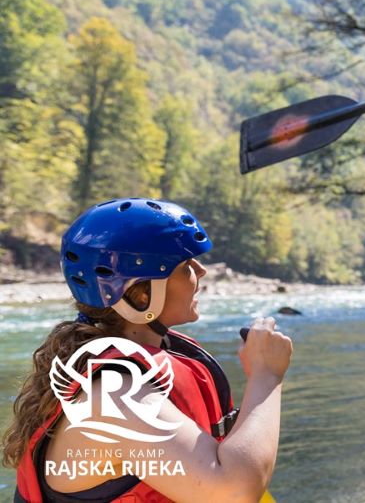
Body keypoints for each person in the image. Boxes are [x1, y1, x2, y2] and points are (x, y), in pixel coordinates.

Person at [2, 198, 293, 503]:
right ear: (140, 294)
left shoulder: (143, 361)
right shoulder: (114, 396)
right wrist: (266, 376)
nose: (202, 271)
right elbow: (233, 492)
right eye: (185, 266)